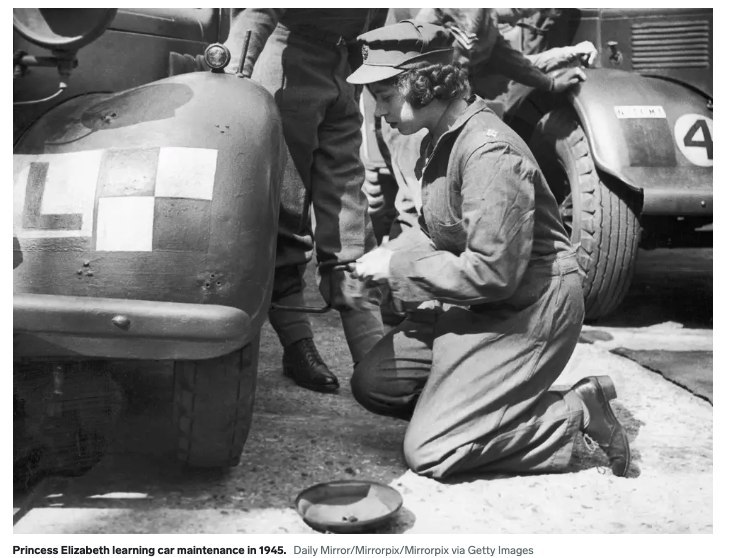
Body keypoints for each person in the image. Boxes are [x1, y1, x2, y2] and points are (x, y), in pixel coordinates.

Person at [346, 20, 631, 479]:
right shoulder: (440, 138)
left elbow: (494, 273)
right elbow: (439, 231)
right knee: (377, 384)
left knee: (431, 453)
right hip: (479, 301)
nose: (379, 112)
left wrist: (399, 267)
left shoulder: (487, 152)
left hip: (527, 309)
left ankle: (575, 410)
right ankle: (477, 407)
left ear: (421, 84)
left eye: (384, 97)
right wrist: (386, 258)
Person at [224, 9, 388, 393]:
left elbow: (372, 26)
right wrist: (234, 79)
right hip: (287, 70)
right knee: (287, 215)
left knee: (350, 217)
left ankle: (376, 361)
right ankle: (298, 344)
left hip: (342, 77)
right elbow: (260, 11)